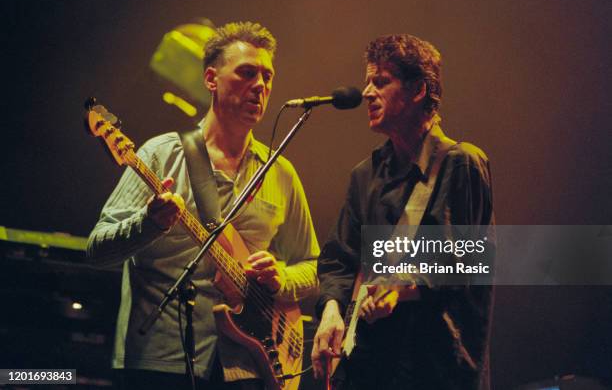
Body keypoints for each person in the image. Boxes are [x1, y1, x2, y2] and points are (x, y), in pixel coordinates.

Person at [87, 21, 319, 390]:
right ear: (211, 79)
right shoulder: (161, 155)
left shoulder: (281, 172)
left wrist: (282, 277)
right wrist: (149, 224)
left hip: (247, 366)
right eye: (246, 73)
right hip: (161, 362)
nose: (260, 85)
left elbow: (312, 267)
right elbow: (97, 249)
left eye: (267, 76)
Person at [311, 34, 494, 390]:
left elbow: (468, 262)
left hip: (435, 370)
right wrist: (331, 310)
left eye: (381, 82)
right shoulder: (365, 174)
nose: (366, 92)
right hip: (369, 368)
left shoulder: (461, 163)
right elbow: (339, 259)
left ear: (418, 90)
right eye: (367, 82)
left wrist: (403, 288)